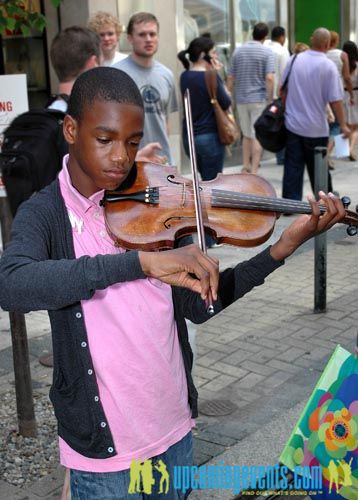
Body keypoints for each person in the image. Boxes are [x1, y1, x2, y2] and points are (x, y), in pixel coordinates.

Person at [0, 66, 345, 499]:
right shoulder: (46, 213)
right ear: (71, 129)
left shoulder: (154, 202)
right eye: (104, 140)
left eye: (131, 141)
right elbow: (11, 283)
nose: (121, 158)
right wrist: (140, 264)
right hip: (106, 456)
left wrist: (281, 248)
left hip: (174, 429)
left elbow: (200, 306)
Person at [281, 27, 350, 201]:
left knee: (292, 164)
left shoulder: (294, 59)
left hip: (293, 124)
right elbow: (335, 100)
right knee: (318, 166)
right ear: (327, 44)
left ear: (312, 39)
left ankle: (290, 201)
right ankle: (325, 199)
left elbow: (283, 90)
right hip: (316, 127)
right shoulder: (328, 66)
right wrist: (342, 125)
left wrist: (286, 110)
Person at [178, 36, 232, 248]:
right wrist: (219, 75)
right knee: (211, 188)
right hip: (209, 137)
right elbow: (227, 102)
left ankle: (201, 233)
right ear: (204, 54)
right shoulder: (210, 75)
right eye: (214, 52)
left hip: (190, 138)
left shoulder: (184, 76)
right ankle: (209, 237)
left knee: (200, 185)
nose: (216, 55)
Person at [114, 12, 178, 164]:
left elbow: (165, 120)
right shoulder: (115, 74)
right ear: (130, 38)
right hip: (129, 162)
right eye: (142, 35)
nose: (148, 39)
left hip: (162, 162)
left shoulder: (167, 75)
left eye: (152, 34)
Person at [227, 22, 275, 174]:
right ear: (265, 36)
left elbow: (230, 76)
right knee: (257, 135)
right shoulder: (267, 52)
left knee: (246, 134)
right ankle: (254, 170)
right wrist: (269, 99)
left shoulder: (238, 51)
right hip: (258, 99)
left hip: (241, 99)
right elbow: (269, 78)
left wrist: (229, 96)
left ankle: (245, 165)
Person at [326, 31, 353, 167]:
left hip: (322, 94)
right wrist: (351, 94)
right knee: (338, 124)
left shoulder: (323, 54)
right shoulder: (342, 55)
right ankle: (328, 154)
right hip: (338, 92)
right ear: (336, 42)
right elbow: (347, 77)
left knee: (328, 125)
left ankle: (342, 151)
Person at [264, 26, 290, 165]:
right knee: (280, 124)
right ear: (282, 37)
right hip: (278, 94)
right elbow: (285, 75)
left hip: (264, 93)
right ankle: (281, 156)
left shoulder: (265, 48)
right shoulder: (282, 51)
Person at [342, 40, 358, 161]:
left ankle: (343, 150)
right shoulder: (357, 65)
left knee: (345, 125)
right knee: (356, 127)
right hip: (356, 94)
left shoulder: (341, 64)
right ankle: (351, 149)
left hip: (343, 93)